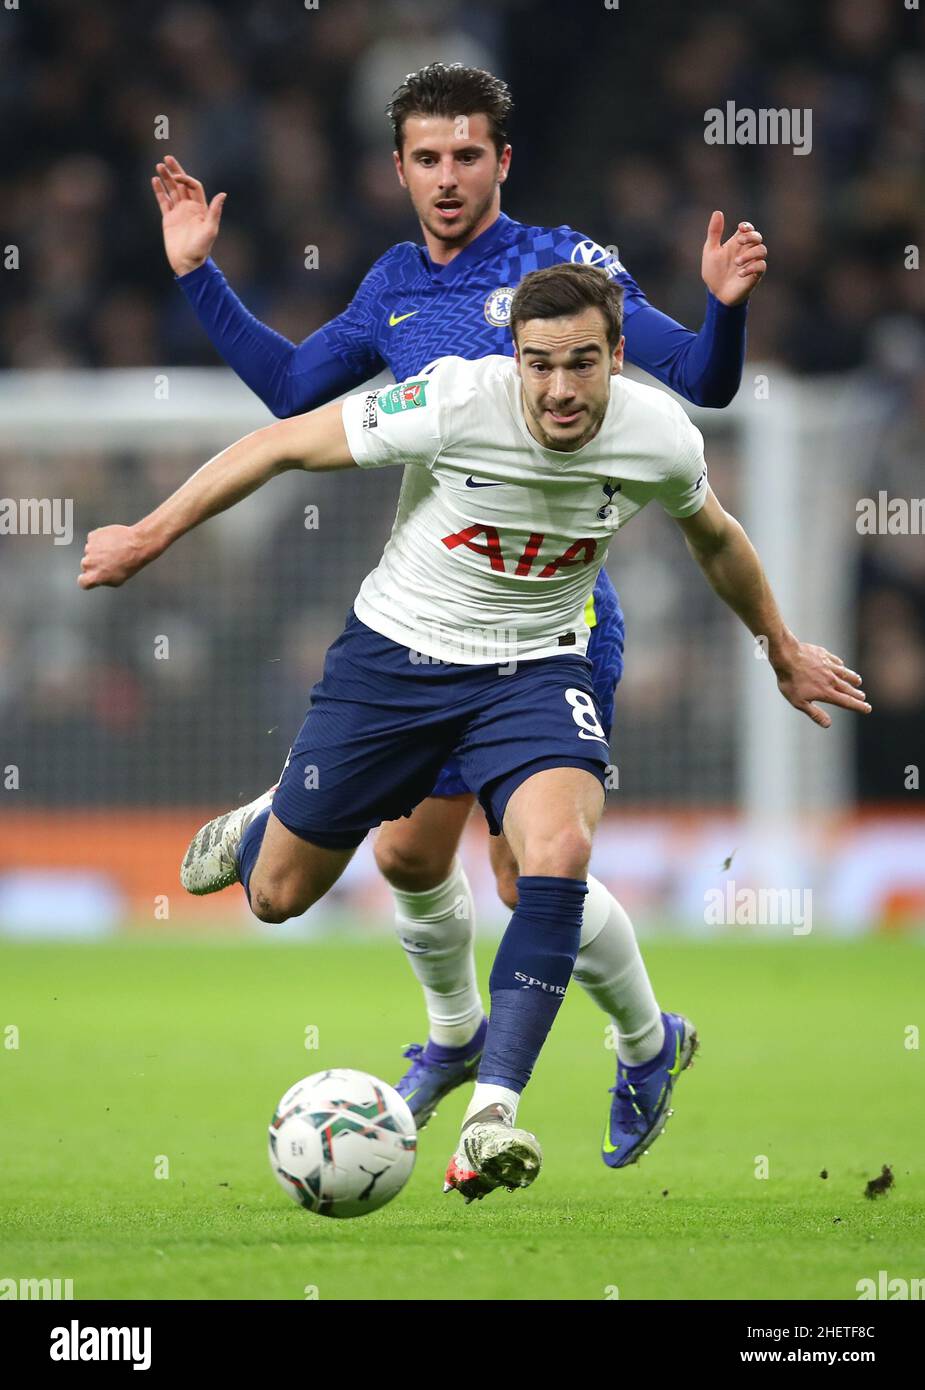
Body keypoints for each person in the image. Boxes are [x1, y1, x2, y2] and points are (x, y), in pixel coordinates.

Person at [79, 263, 868, 1201]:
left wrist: (778, 645)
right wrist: (148, 536)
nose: (561, 389)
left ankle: (494, 1111)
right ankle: (275, 823)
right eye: (540, 366)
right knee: (283, 895)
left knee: (555, 851)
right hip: (397, 662)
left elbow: (717, 538)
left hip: (536, 668)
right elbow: (283, 441)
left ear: (618, 358)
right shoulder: (453, 401)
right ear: (514, 361)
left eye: (582, 363)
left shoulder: (656, 434)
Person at [151, 61, 769, 1158]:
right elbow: (296, 394)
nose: (447, 178)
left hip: (551, 612)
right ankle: (449, 1032)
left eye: (467, 155)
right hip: (430, 615)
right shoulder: (394, 281)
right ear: (397, 168)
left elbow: (695, 379)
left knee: (533, 869)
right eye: (427, 158)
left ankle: (639, 1040)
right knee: (404, 863)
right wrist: (201, 277)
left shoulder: (562, 265)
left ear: (502, 161)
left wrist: (722, 313)